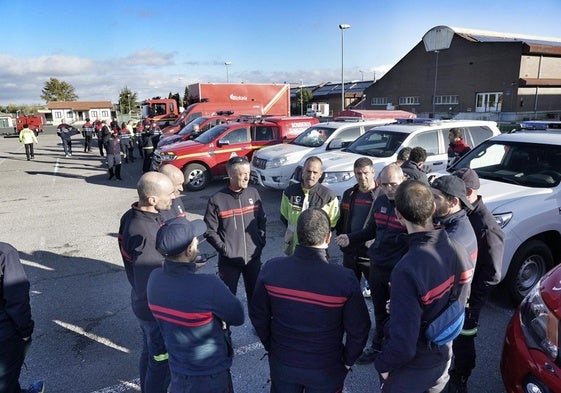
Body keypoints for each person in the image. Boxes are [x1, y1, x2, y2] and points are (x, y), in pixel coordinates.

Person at [250, 208, 371, 393]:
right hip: (327, 368)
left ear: (298, 235)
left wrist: (272, 348)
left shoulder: (271, 269)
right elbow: (359, 329)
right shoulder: (344, 279)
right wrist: (347, 361)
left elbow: (259, 316)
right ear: (328, 238)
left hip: (283, 364)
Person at [374, 180, 471, 392]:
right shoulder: (457, 248)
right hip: (443, 354)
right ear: (433, 208)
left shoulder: (406, 269)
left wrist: (382, 364)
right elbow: (460, 296)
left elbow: (403, 346)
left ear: (399, 215)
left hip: (415, 367)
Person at [147, 217, 244, 393]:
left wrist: (189, 270)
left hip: (178, 371)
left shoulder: (154, 279)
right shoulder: (209, 284)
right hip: (210, 374)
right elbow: (237, 316)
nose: (197, 241)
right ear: (190, 250)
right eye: (195, 240)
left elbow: (180, 291)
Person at [118, 172, 176, 393]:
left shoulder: (131, 216)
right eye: (169, 194)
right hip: (155, 310)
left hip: (142, 304)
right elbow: (152, 280)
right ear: (152, 199)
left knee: (149, 353)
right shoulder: (145, 235)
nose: (173, 198)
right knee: (161, 363)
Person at [448, 168, 505, 392]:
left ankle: (460, 377)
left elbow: (492, 274)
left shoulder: (487, 227)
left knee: (464, 340)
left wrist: (472, 302)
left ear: (469, 191)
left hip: (469, 300)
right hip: (454, 292)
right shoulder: (461, 214)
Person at [349, 163, 408, 364]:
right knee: (379, 310)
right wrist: (350, 238)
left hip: (398, 272)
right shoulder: (380, 201)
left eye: (393, 184)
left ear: (403, 181)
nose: (389, 189)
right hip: (378, 267)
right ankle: (377, 346)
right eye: (384, 185)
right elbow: (370, 232)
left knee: (399, 314)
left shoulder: (410, 205)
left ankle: (396, 349)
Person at [204, 156, 266, 303]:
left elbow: (261, 220)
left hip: (253, 258)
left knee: (256, 297)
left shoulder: (254, 194)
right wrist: (225, 250)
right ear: (231, 175)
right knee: (227, 299)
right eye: (242, 174)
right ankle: (225, 326)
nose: (247, 177)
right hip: (229, 262)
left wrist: (260, 242)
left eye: (248, 173)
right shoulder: (216, 199)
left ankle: (258, 326)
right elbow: (209, 231)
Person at [0, 242, 45, 393]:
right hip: (5, 336)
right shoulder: (5, 252)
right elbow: (17, 298)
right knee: (6, 379)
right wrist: (25, 331)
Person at [334, 157, 381, 298]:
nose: (362, 177)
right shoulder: (349, 194)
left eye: (366, 173)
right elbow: (342, 220)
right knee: (348, 291)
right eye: (358, 174)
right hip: (350, 251)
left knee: (378, 293)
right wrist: (341, 237)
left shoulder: (382, 196)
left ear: (373, 172)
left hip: (371, 254)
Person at [431, 175, 477, 306]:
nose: (430, 202)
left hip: (446, 307)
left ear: (454, 202)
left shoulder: (452, 238)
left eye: (436, 198)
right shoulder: (452, 222)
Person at [280, 156, 340, 255]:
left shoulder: (328, 196)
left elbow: (332, 224)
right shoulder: (289, 192)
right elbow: (284, 216)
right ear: (303, 171)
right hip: (293, 248)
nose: (311, 175)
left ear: (320, 174)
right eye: (308, 171)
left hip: (317, 250)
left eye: (315, 172)